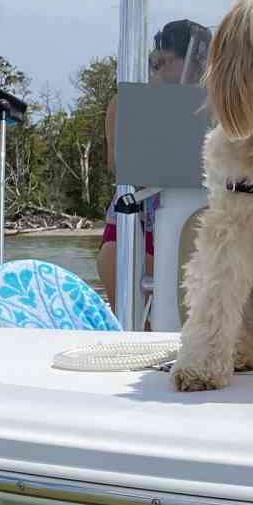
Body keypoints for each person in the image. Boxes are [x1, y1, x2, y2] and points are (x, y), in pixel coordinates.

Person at [97, 19, 211, 310]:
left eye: (162, 62)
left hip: (205, 214)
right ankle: (136, 332)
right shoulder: (128, 105)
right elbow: (118, 165)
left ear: (197, 60)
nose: (155, 70)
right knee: (112, 255)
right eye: (152, 63)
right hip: (144, 215)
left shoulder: (224, 101)